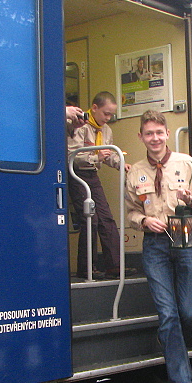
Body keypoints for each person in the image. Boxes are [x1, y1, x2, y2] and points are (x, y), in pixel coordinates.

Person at [125, 110, 192, 383]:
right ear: (141, 137)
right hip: (155, 246)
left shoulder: (186, 164)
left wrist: (190, 200)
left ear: (166, 132)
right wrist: (144, 220)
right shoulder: (134, 172)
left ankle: (173, 349)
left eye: (159, 132)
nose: (155, 138)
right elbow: (132, 213)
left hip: (186, 239)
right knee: (168, 314)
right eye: (149, 133)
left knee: (187, 313)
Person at [68, 92, 135, 280]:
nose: (107, 118)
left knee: (106, 218)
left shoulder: (106, 131)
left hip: (93, 175)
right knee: (90, 220)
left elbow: (109, 154)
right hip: (77, 175)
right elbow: (72, 156)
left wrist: (121, 163)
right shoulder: (79, 125)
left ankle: (114, 266)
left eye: (111, 115)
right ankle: (86, 268)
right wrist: (96, 157)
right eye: (105, 114)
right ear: (94, 108)